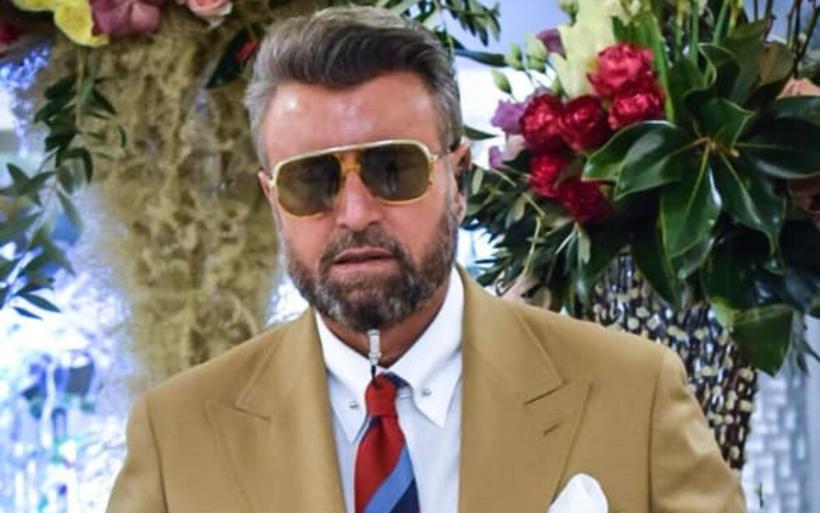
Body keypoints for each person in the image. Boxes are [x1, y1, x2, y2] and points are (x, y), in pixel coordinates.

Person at [106, 6, 746, 513]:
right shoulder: (176, 436)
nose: (354, 212)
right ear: (273, 200)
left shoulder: (632, 395)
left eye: (393, 169)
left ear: (457, 178)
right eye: (312, 180)